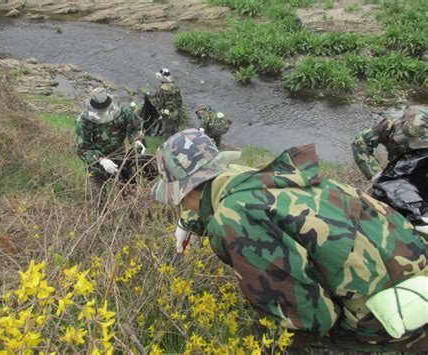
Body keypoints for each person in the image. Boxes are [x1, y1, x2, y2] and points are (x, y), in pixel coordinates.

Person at [152, 129, 427, 351]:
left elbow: (314, 318)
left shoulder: (233, 219)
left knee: (278, 338)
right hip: (416, 277)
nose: (182, 206)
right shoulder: (266, 178)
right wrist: (191, 222)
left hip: (386, 326)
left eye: (179, 200)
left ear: (187, 191)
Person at [75, 88, 146, 201]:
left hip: (121, 158)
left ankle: (129, 216)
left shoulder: (122, 111)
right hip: (96, 165)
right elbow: (82, 149)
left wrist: (138, 141)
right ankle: (104, 216)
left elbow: (135, 127)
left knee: (129, 195)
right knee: (99, 200)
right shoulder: (83, 122)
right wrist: (101, 160)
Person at [352, 106, 427, 181]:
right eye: (407, 139)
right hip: (398, 164)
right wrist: (375, 174)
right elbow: (360, 142)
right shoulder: (389, 125)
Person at [149, 68, 183, 137]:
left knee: (168, 134)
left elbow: (158, 104)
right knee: (175, 131)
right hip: (177, 113)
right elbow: (180, 101)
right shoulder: (174, 86)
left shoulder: (162, 90)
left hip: (167, 115)